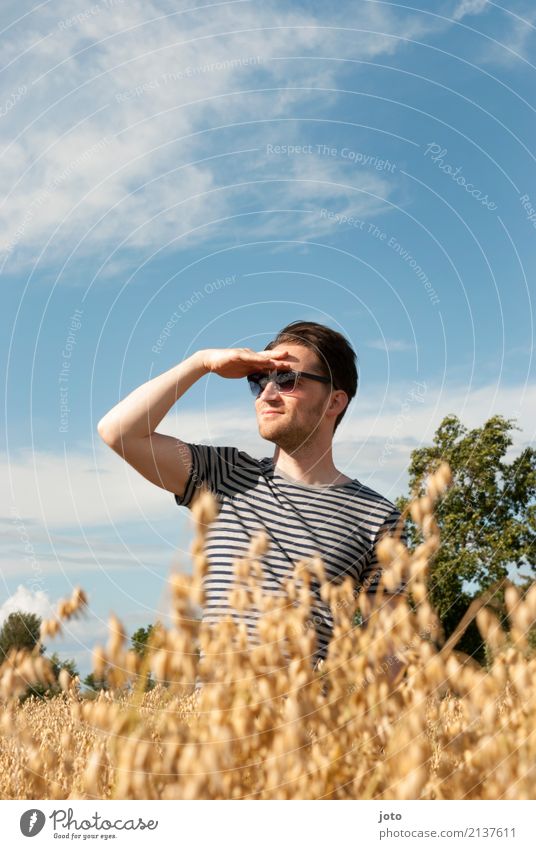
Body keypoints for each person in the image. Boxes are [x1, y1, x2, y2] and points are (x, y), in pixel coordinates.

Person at [97, 320, 406, 679]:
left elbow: (389, 651)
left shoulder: (376, 516)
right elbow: (118, 431)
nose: (267, 394)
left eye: (287, 380)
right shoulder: (223, 475)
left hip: (311, 727)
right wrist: (203, 362)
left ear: (335, 401)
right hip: (217, 725)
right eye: (259, 381)